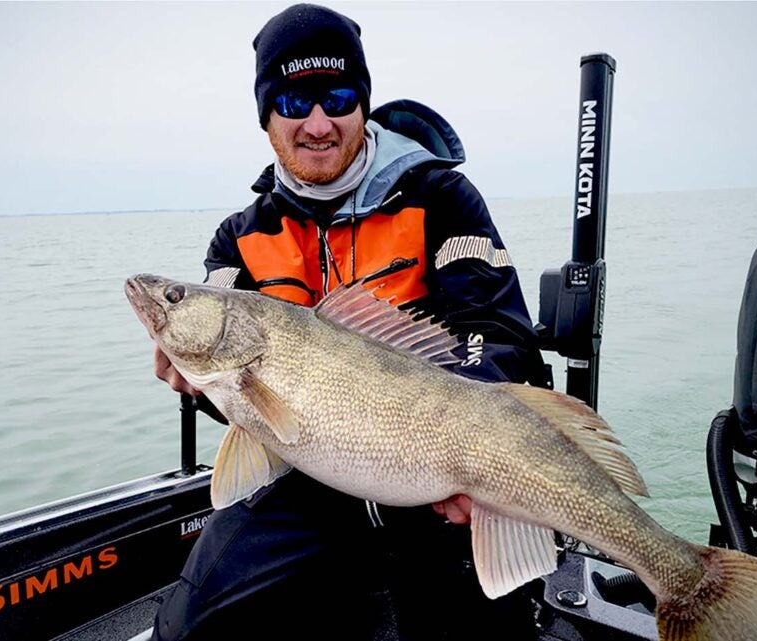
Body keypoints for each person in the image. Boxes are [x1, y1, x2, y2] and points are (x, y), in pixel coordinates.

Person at [151, 4, 551, 639]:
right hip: (308, 477)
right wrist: (200, 387)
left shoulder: (442, 198)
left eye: (337, 98)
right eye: (293, 102)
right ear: (266, 117)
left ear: (363, 105)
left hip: (442, 475)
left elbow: (500, 339)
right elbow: (241, 394)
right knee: (191, 626)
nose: (318, 123)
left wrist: (470, 454)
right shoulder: (239, 238)